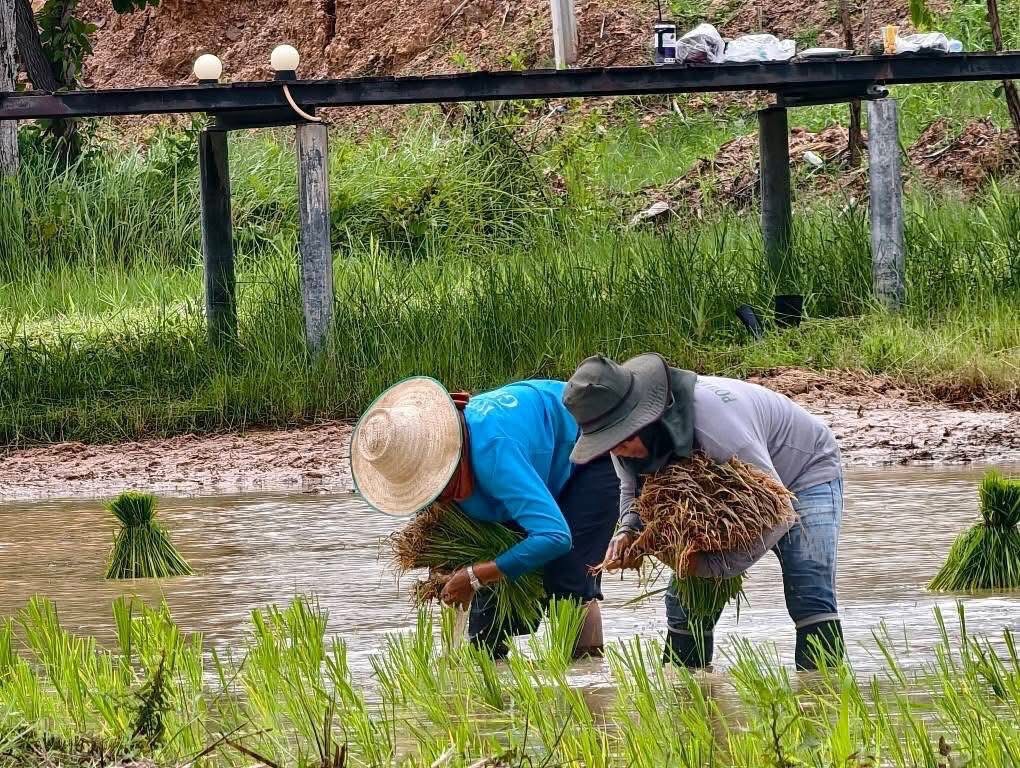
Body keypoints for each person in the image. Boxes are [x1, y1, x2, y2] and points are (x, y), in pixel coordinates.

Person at [562, 354, 844, 670]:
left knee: (808, 585)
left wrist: (707, 566)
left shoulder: (715, 426)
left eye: (620, 440)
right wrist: (627, 531)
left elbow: (779, 513)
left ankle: (825, 695)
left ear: (645, 417)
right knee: (684, 604)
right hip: (719, 481)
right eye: (607, 443)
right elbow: (632, 490)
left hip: (803, 473)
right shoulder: (623, 438)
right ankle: (689, 695)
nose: (616, 450)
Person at [351, 376, 620, 658]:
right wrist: (453, 574)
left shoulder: (494, 455)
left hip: (587, 448)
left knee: (569, 577)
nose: (436, 497)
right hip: (534, 465)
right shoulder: (426, 471)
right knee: (488, 612)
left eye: (436, 485)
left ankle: (587, 679)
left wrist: (474, 576)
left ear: (450, 459)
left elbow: (555, 537)